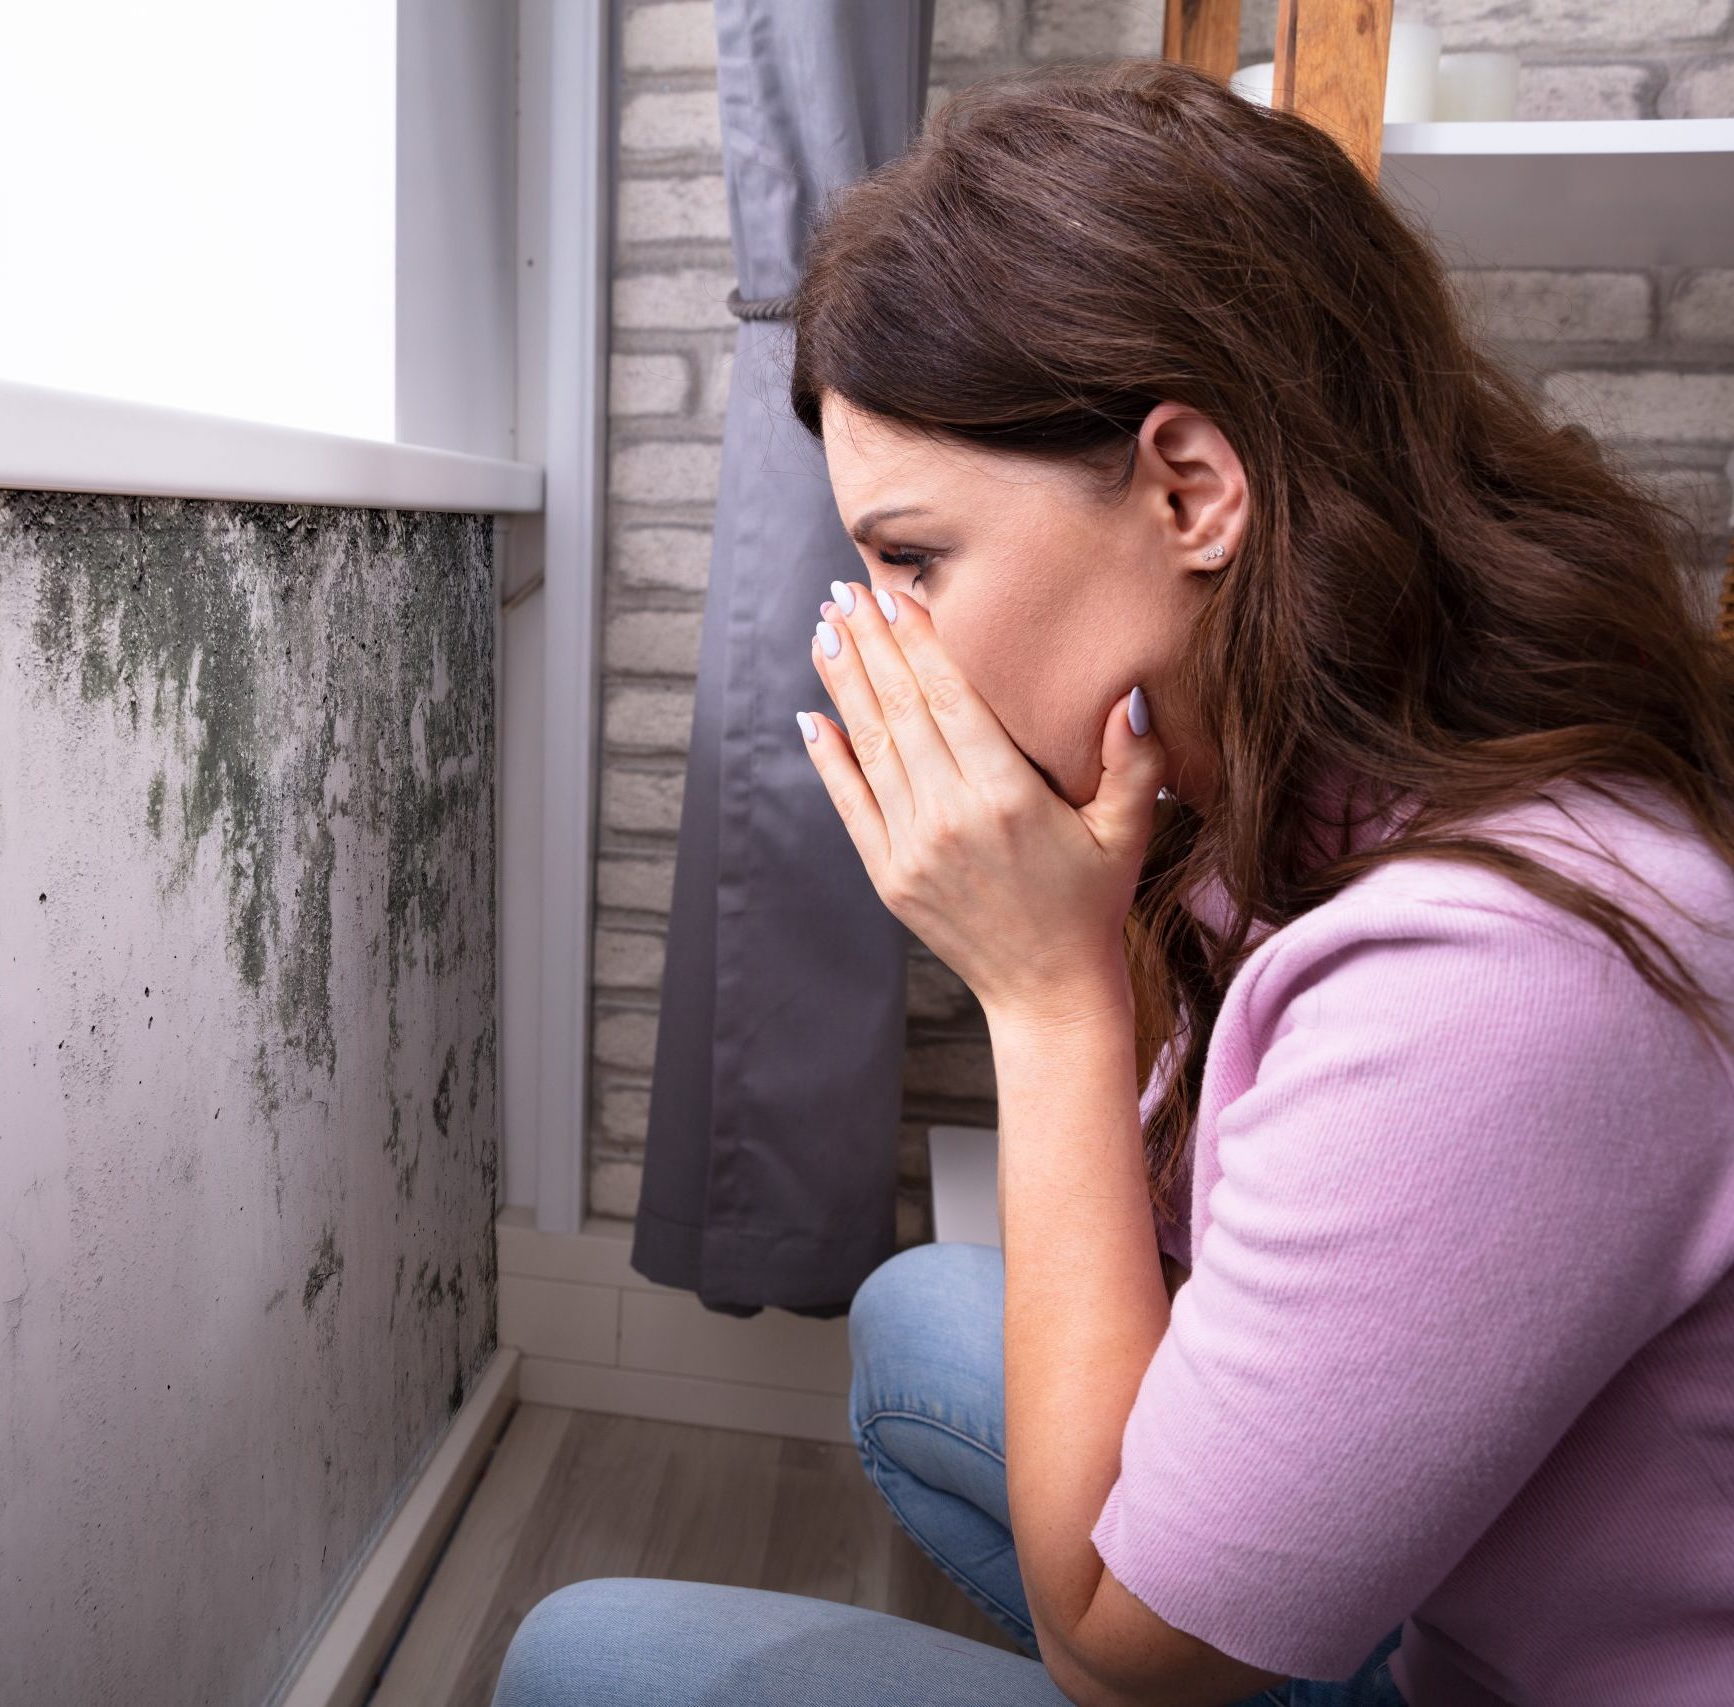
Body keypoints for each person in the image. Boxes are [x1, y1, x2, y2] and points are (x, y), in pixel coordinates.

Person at [492, 55, 1734, 1707]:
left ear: (1188, 491)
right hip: (1467, 1601)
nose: (879, 639)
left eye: (917, 560)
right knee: (924, 1310)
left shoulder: (1502, 978)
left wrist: (1044, 993)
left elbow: (1120, 1650)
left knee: (587, 1660)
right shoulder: (1304, 780)